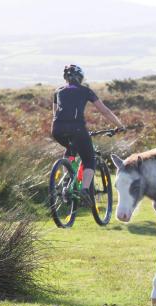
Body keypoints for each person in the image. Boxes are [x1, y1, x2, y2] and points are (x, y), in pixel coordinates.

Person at [52, 64, 124, 205]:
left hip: (57, 130)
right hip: (77, 129)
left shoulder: (58, 91)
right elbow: (105, 111)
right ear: (81, 77)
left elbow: (54, 114)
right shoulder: (85, 91)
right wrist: (119, 126)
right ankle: (84, 189)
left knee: (70, 148)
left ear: (65, 78)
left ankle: (67, 178)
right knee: (89, 159)